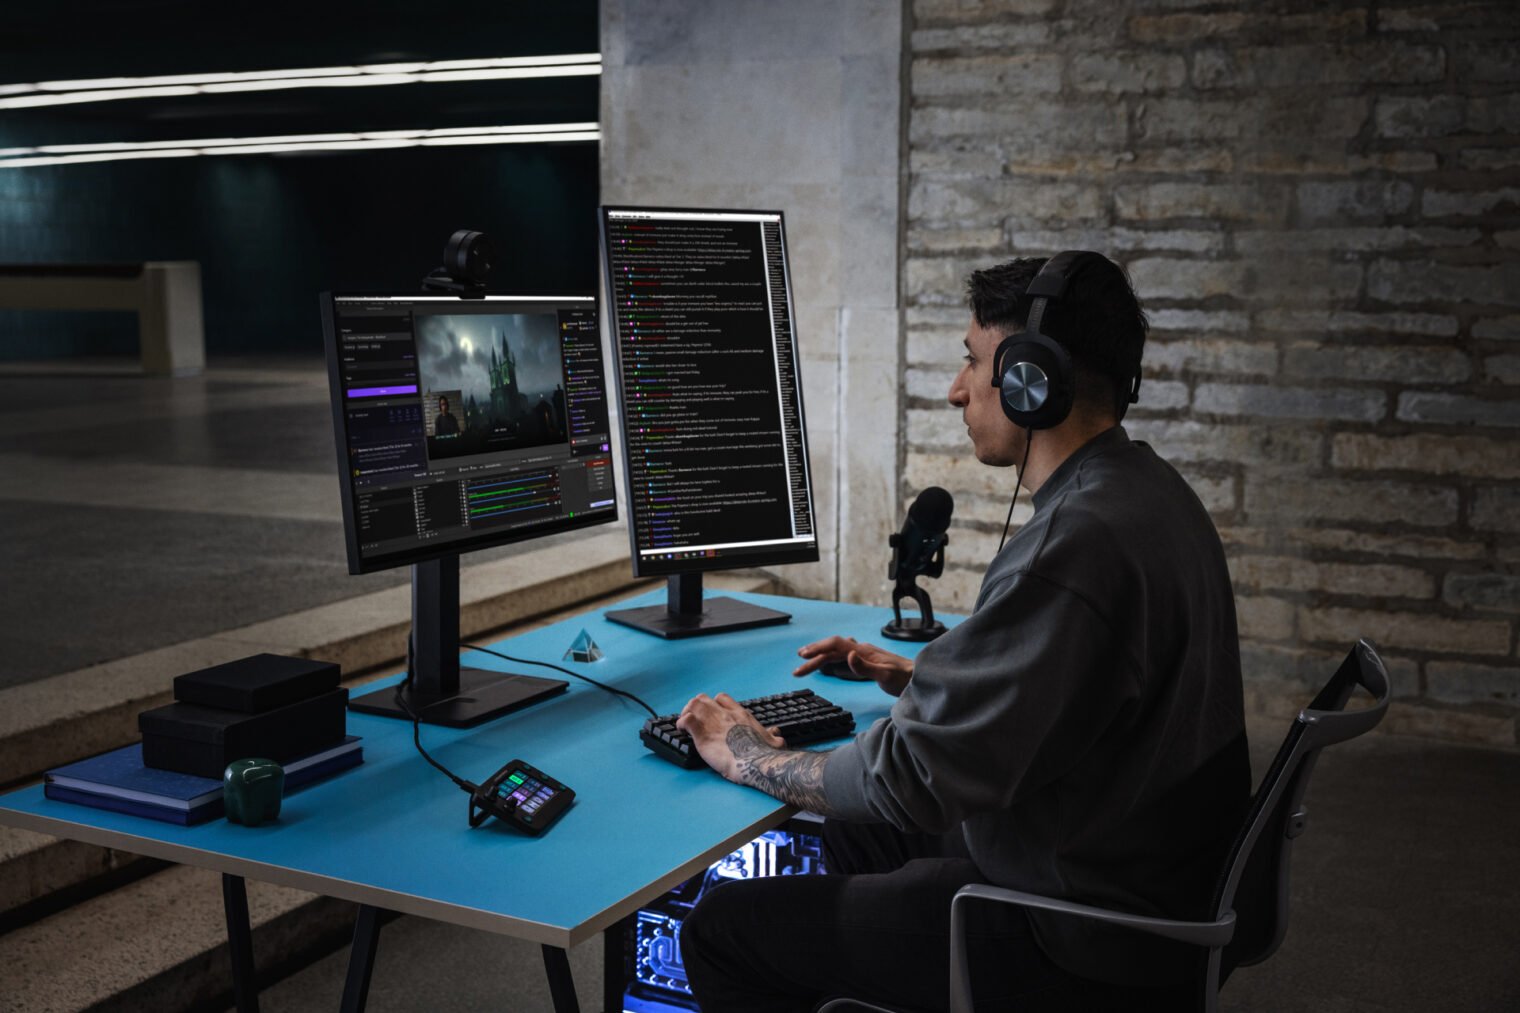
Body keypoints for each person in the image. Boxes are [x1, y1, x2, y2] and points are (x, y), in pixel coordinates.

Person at [674, 253, 1250, 1011]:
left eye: (973, 361)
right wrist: (921, 681)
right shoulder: (1150, 493)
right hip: (1127, 872)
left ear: (1030, 380)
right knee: (853, 841)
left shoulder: (1072, 546)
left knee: (724, 927)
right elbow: (1093, 688)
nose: (956, 388)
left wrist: (746, 753)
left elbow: (907, 776)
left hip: (1070, 935)